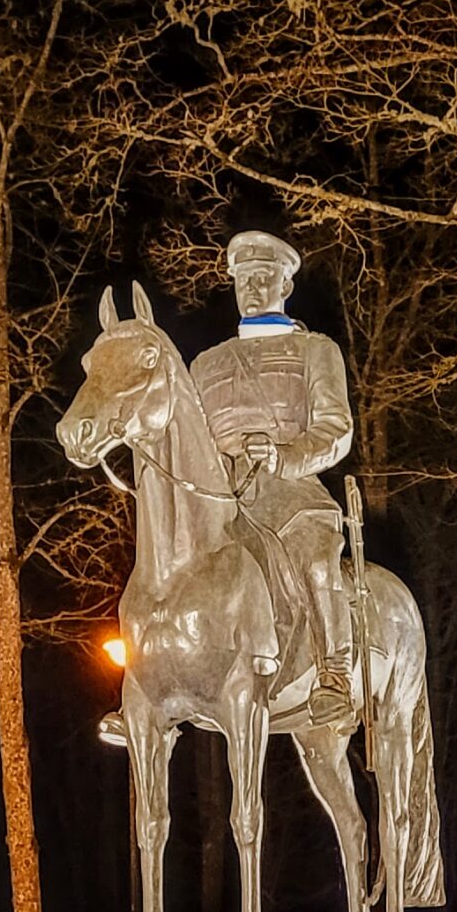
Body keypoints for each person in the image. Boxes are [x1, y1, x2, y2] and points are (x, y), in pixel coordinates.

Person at [100, 230, 358, 744]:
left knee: (314, 558)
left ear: (285, 285)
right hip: (224, 503)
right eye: (244, 279)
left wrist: (285, 456)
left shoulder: (315, 350)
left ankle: (334, 671)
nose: (253, 288)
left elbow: (337, 430)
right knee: (171, 574)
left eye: (265, 278)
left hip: (293, 496)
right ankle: (153, 697)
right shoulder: (206, 364)